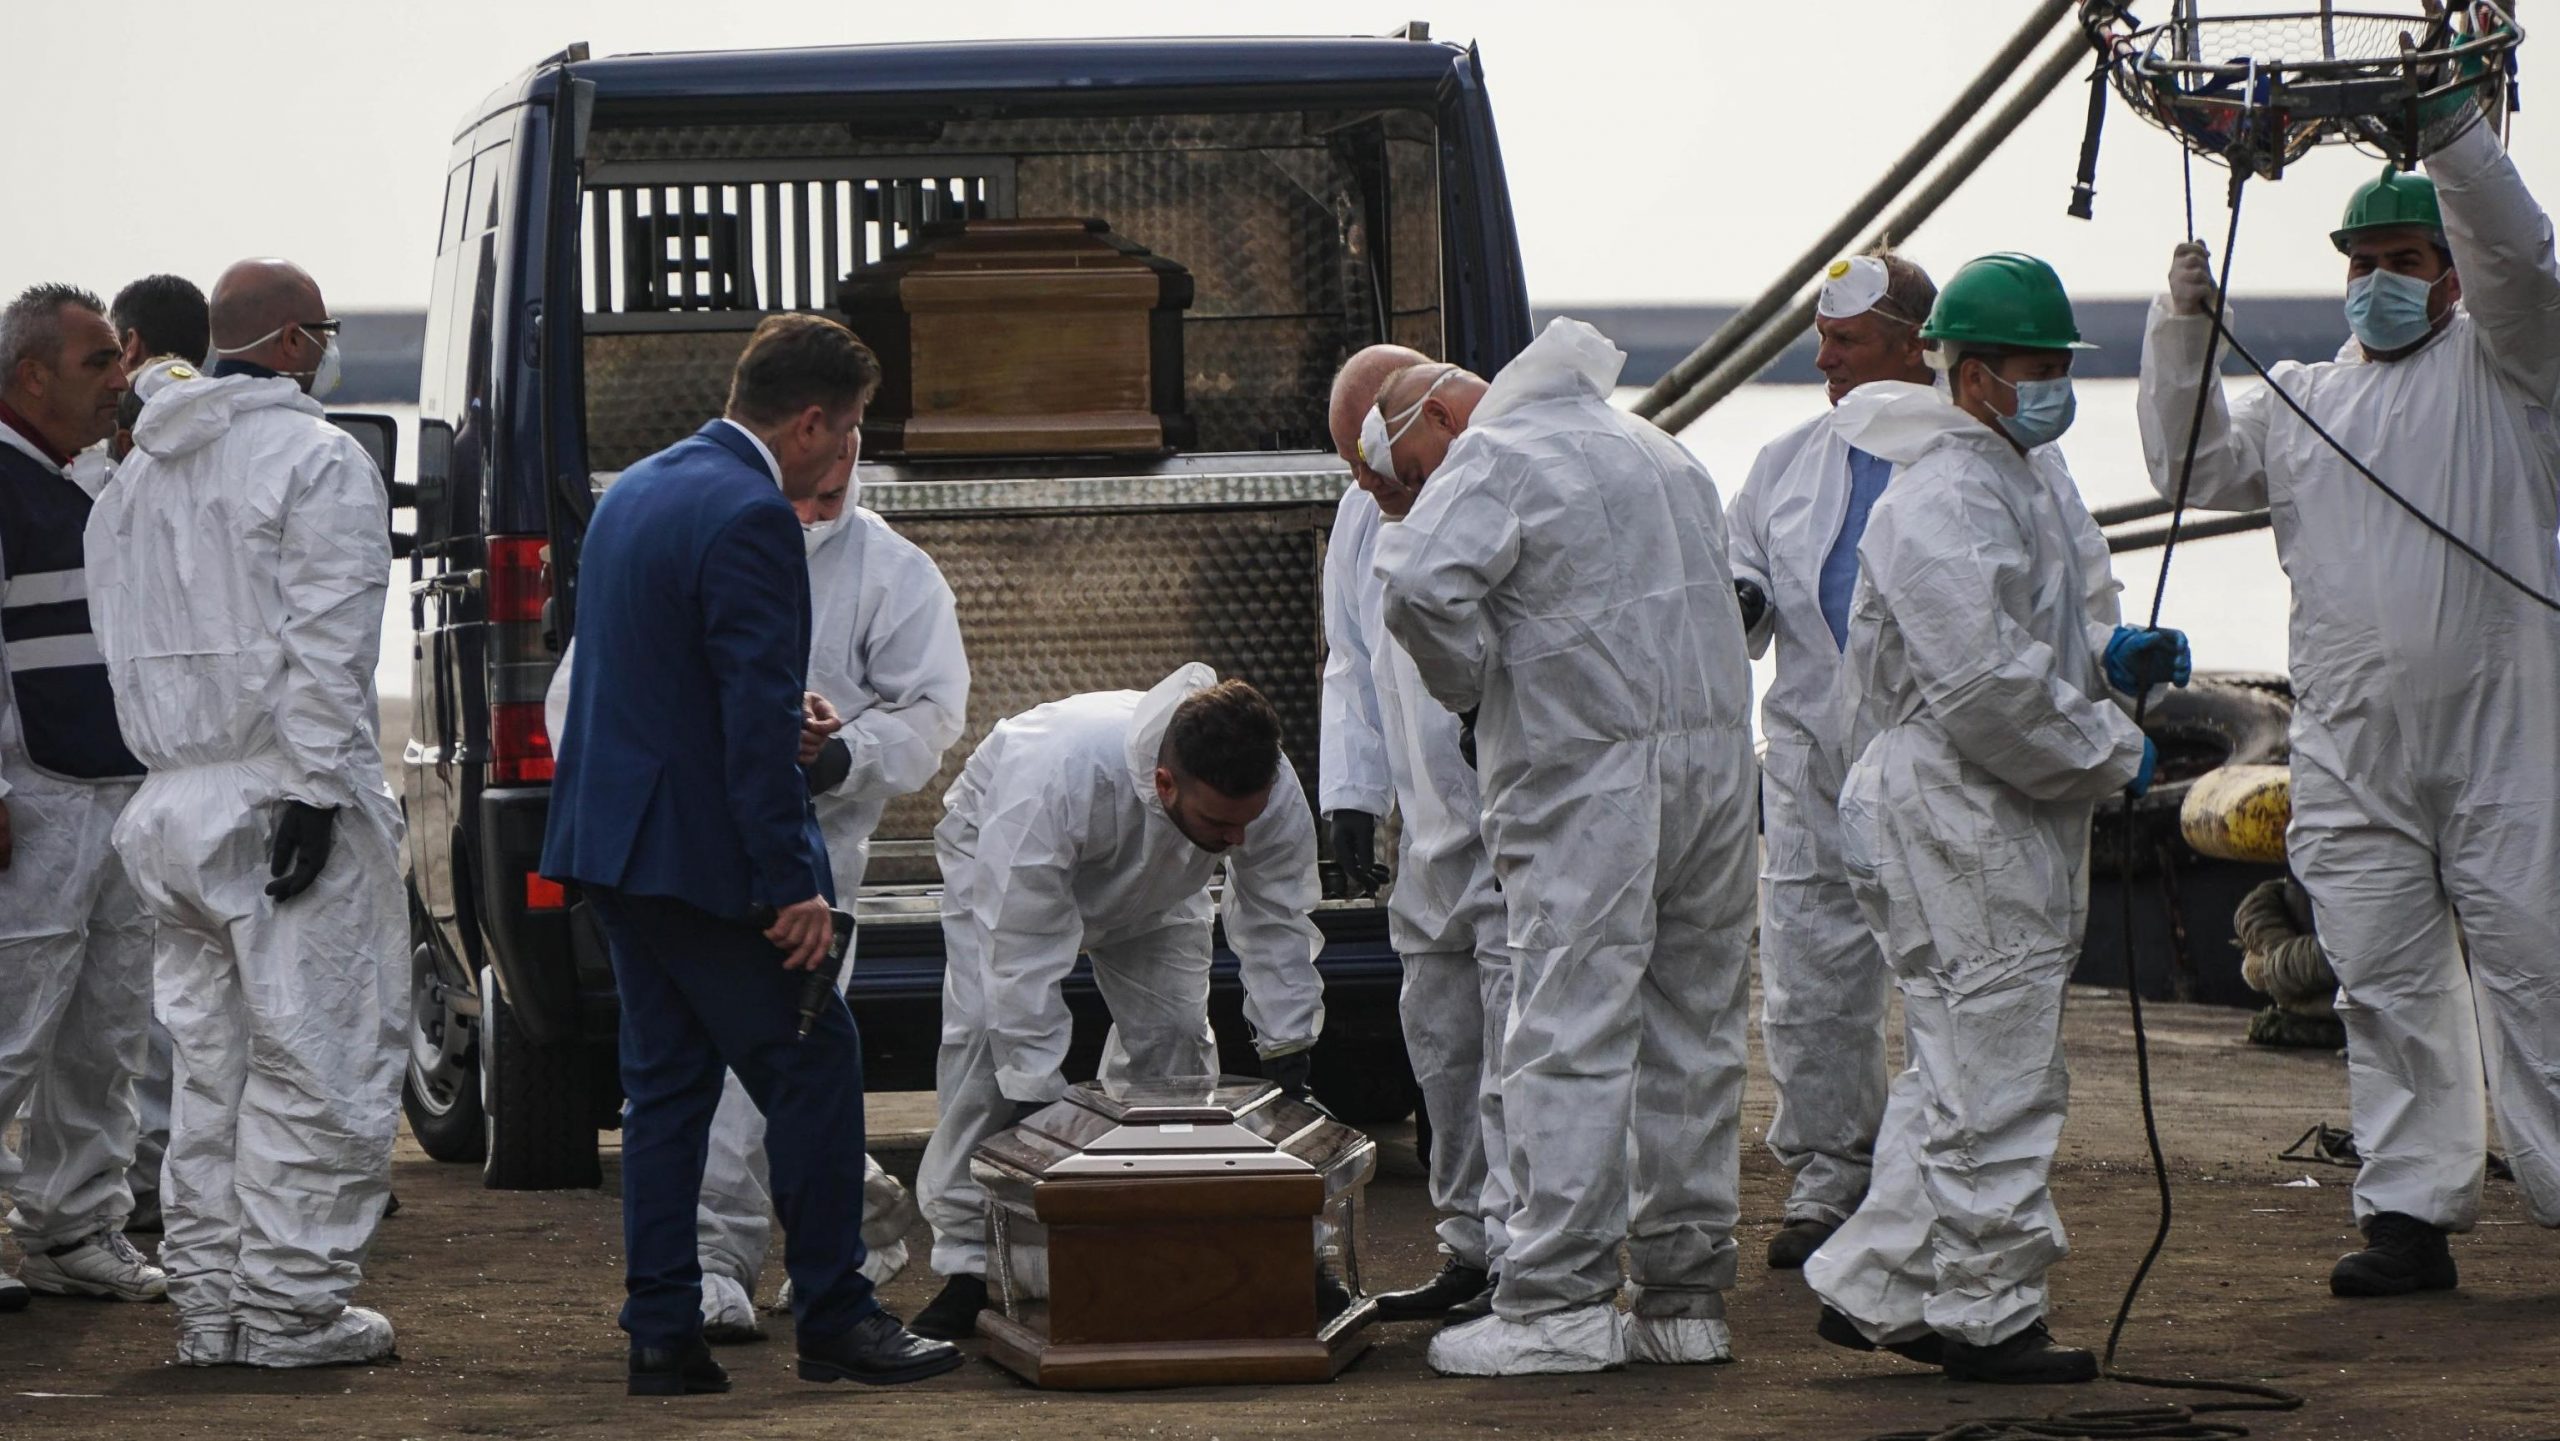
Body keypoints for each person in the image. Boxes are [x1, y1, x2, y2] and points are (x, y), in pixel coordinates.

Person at [2137, 78, 2560, 1296]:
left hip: (2506, 736)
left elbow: (2521, 259)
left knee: (2536, 964)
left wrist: (2451, 132)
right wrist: (2179, 330)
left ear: (2448, 271)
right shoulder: (2307, 404)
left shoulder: (2513, 374)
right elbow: (2187, 464)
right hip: (2353, 747)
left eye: (2403, 255)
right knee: (2382, 979)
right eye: (2360, 259)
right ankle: (2408, 1213)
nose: (2377, 276)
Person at [541, 313, 961, 1395]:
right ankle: (837, 1314)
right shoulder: (752, 516)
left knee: (667, 1091)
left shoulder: (636, 489)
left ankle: (662, 1332)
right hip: (711, 860)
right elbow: (748, 722)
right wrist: (795, 887)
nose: (847, 452)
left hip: (616, 855)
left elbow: (628, 683)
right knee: (818, 1068)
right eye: (852, 426)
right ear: (811, 419)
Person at [1803, 253, 2180, 1385]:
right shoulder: (1945, 495)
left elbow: (2026, 647)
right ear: (1969, 377)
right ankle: (1984, 1309)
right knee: (1998, 1075)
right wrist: (2110, 748)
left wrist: (2107, 667)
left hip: (1986, 811)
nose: (2049, 384)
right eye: (2031, 366)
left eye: (2057, 366)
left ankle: (1876, 1283)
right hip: (1957, 812)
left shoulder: (2011, 477)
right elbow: (1983, 690)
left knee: (1960, 1065)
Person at [1371, 318, 1760, 1376]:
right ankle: (1683, 1300)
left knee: (1567, 1028)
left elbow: (1414, 587)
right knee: (1696, 1029)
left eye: (1406, 465)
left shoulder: (1498, 453)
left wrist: (1472, 687)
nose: (1401, 487)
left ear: (1443, 413)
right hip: (1717, 777)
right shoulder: (1659, 450)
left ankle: (1556, 1302)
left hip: (1586, 775)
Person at [84, 260, 406, 1368]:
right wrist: (317, 789)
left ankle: (211, 1312)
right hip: (280, 796)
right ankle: (291, 1313)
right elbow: (330, 640)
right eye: (321, 329)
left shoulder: (131, 480)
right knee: (316, 1058)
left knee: (209, 1073)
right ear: (296, 342)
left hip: (170, 805)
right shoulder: (316, 460)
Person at [910, 666, 1327, 1341]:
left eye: (1247, 821)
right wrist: (1030, 1092)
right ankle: (968, 1265)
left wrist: (1289, 1041)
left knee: (1177, 1048)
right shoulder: (1058, 773)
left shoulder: (1264, 788)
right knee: (987, 1053)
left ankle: (1156, 1235)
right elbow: (1020, 944)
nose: (1239, 841)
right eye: (1222, 823)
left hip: (1160, 886)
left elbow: (1277, 913)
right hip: (1001, 858)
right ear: (1166, 783)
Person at [1724, 251, 1938, 1270]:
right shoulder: (1786, 460)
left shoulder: (1966, 455)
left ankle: (1934, 1177)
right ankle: (1828, 1176)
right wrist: (1739, 594)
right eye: (1820, 337)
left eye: (1843, 341)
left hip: (1930, 755)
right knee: (1808, 982)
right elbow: (1745, 553)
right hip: (1808, 758)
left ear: (1910, 344)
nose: (1823, 359)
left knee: (1944, 973)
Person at [1318, 344, 1515, 1323]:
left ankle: (1539, 1252)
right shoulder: (1366, 506)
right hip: (1428, 833)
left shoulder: (1502, 483)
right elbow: (1350, 660)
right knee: (1440, 1044)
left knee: (1529, 1048)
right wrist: (1348, 792)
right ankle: (1470, 1245)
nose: (1365, 480)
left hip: (1519, 821)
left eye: (1370, 454)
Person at [0, 284, 163, 1316]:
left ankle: (72, 1224)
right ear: (32, 374)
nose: (122, 377)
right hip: (34, 794)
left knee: (106, 1029)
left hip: (116, 789)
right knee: (11, 1022)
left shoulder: (93, 479)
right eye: (100, 360)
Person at [97, 272, 210, 1229]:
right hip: (195, 760)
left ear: (131, 347)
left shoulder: (122, 469)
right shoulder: (236, 455)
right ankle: (160, 1174)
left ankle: (146, 1177)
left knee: (152, 994)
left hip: (135, 761)